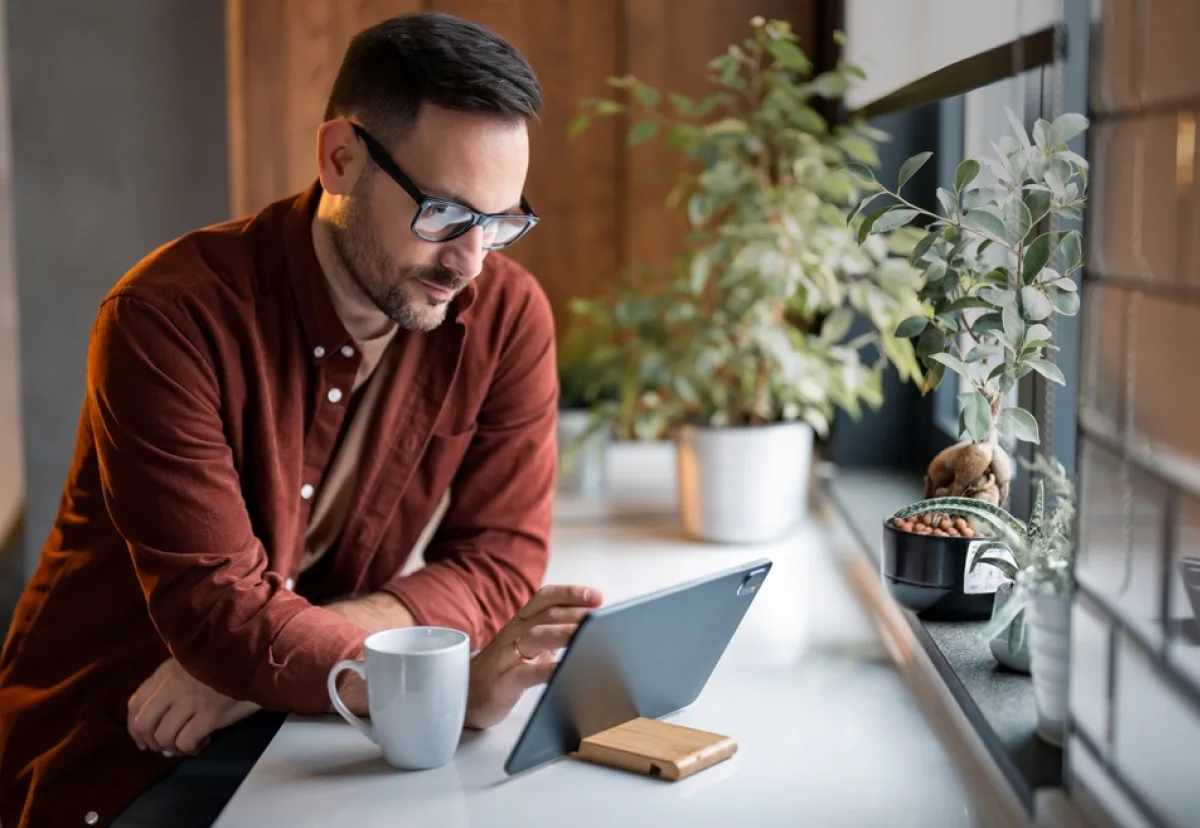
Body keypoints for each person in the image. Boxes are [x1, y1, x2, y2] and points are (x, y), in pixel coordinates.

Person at [0, 12, 602, 827]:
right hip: (125, 745)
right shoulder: (165, 318)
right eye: (444, 215)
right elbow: (218, 614)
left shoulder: (506, 316)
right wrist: (436, 689)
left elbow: (500, 560)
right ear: (340, 160)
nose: (469, 262)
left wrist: (261, 661)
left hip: (290, 720)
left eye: (500, 223)